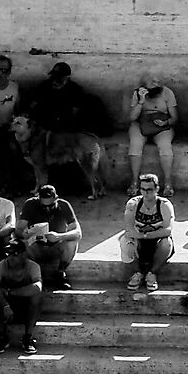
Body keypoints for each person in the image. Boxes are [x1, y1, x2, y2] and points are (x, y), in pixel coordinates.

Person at [32, 62, 110, 200]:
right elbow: (36, 110)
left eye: (60, 78)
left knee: (76, 158)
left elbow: (76, 116)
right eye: (54, 77)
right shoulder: (43, 88)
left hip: (68, 132)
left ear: (67, 78)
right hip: (47, 132)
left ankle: (79, 187)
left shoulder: (75, 90)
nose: (55, 81)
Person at [0, 233, 44, 352]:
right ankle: (1, 336)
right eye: (8, 254)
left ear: (23, 255)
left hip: (24, 303)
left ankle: (28, 337)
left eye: (14, 254)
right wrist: (5, 305)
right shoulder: (1, 265)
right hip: (7, 305)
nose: (10, 258)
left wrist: (10, 292)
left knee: (36, 297)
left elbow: (37, 287)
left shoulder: (33, 267)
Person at [123, 172, 175, 297]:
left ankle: (152, 273)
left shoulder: (164, 205)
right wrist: (131, 240)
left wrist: (145, 235)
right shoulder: (133, 204)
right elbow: (129, 228)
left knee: (166, 243)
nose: (146, 193)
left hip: (156, 241)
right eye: (143, 189)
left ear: (157, 189)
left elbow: (168, 230)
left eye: (149, 190)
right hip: (139, 240)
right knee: (125, 243)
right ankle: (138, 273)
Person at [20, 182, 81, 289]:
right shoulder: (30, 204)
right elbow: (18, 229)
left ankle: (60, 273)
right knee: (21, 242)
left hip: (56, 246)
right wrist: (27, 234)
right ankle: (36, 273)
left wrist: (59, 236)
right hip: (36, 248)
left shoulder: (64, 205)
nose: (48, 209)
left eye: (51, 205)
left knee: (72, 241)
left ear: (56, 198)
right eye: (44, 206)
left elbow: (78, 232)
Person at [126, 77, 178, 191]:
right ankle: (134, 181)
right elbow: (132, 117)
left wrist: (165, 122)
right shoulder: (138, 94)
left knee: (165, 145)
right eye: (152, 83)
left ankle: (168, 182)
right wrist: (141, 101)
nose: (155, 84)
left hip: (162, 125)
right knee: (135, 143)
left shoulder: (167, 93)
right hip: (141, 123)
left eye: (157, 82)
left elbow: (174, 118)